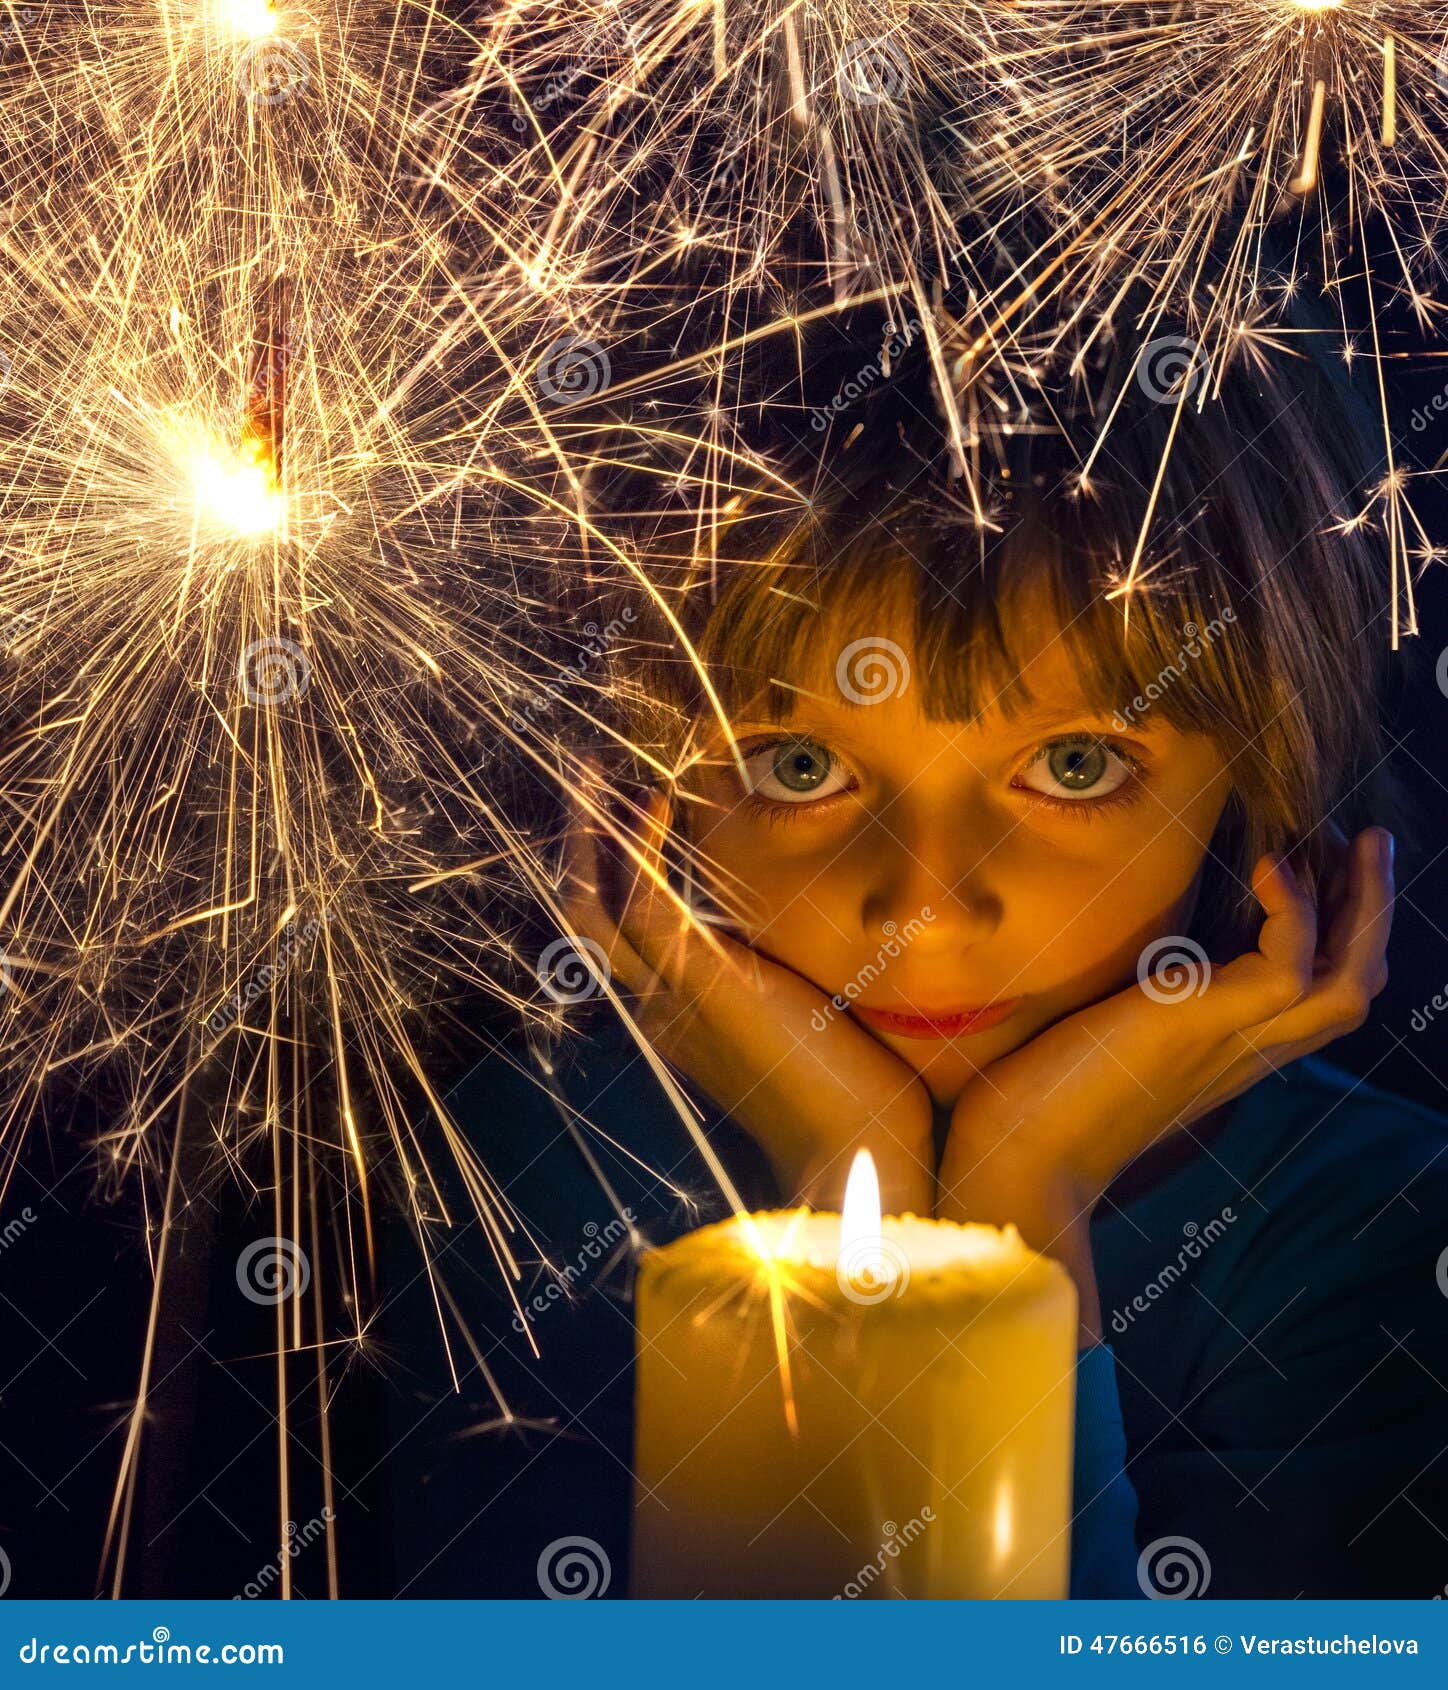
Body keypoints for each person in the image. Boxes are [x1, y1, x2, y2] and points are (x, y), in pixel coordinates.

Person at [385, 341, 1448, 1599]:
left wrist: (1019, 1193)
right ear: (633, 800)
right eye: (794, 766)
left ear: (1253, 782)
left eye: (1071, 766)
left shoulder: (1379, 1237)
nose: (926, 910)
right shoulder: (529, 1179)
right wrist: (859, 1178)